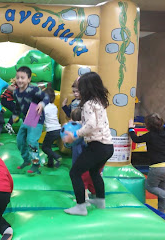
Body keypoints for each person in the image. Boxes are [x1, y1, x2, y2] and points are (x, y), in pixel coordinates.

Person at [62, 72, 114, 216]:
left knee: (75, 172)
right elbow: (94, 123)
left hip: (97, 146)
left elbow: (91, 125)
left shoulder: (88, 104)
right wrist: (76, 124)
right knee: (94, 171)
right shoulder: (98, 102)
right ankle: (100, 200)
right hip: (108, 146)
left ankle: (80, 206)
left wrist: (74, 135)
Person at [128, 114, 165, 213]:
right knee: (162, 189)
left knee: (150, 187)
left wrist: (131, 128)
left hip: (157, 167)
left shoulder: (150, 135)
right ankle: (161, 211)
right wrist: (163, 124)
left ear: (147, 126)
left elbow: (136, 139)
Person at [13, 66, 50, 174]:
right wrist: (15, 115)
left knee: (32, 141)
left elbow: (46, 97)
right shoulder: (16, 92)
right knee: (20, 140)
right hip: (27, 119)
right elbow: (17, 106)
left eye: (22, 78)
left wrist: (42, 103)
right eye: (17, 77)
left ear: (29, 79)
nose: (19, 80)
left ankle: (36, 163)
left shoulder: (34, 89)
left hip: (36, 117)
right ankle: (27, 159)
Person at [42, 87, 62, 168]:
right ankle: (50, 163)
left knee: (44, 147)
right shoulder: (54, 107)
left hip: (51, 130)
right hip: (58, 129)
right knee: (48, 146)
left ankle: (57, 157)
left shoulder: (45, 107)